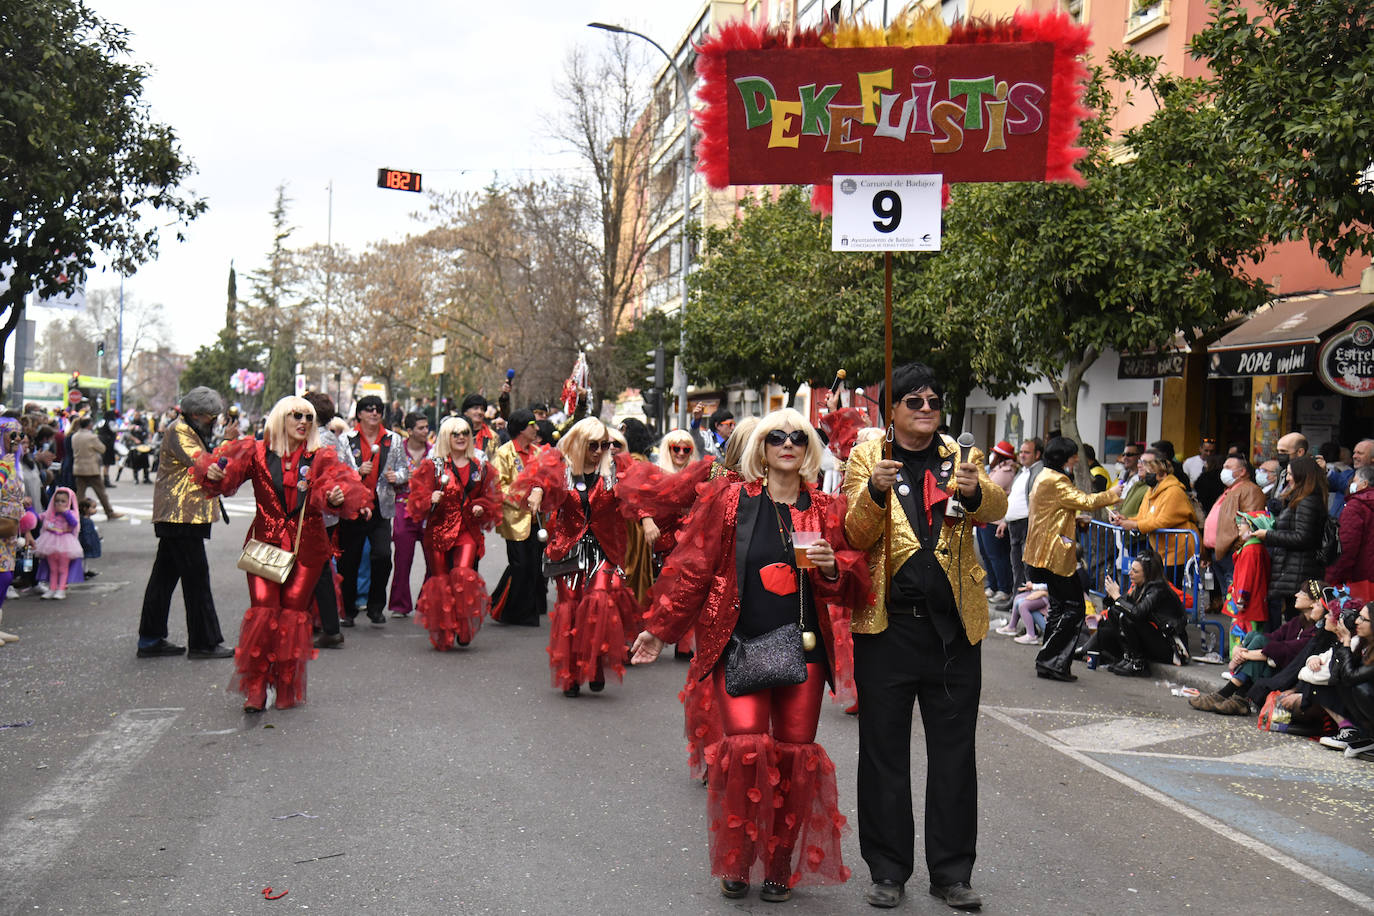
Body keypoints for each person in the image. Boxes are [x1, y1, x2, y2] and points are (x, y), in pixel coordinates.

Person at [631, 408, 868, 903]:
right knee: (743, 751)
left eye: (798, 437)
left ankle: (780, 865)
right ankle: (737, 862)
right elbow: (693, 567)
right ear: (760, 449)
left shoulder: (828, 508)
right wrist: (659, 630)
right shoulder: (729, 499)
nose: (787, 443)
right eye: (776, 437)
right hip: (738, 646)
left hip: (804, 652)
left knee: (795, 757)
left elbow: (854, 580)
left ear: (809, 450)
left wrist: (830, 568)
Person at [840, 362, 1006, 911]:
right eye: (914, 401)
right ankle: (887, 870)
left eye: (934, 400)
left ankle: (952, 873)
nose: (927, 408)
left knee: (955, 755)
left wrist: (977, 489)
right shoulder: (867, 457)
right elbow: (855, 534)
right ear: (892, 410)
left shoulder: (962, 456)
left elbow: (996, 511)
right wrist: (874, 493)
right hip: (888, 629)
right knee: (883, 753)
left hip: (955, 631)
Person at [203, 396, 370, 712]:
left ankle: (285, 684)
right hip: (265, 544)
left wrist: (335, 497)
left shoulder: (321, 456)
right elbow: (228, 477)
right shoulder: (256, 451)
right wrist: (216, 476)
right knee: (263, 614)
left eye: (308, 417)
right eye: (296, 415)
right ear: (281, 418)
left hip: (305, 548)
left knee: (292, 618)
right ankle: (255, 688)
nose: (303, 422)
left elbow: (331, 490)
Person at [516, 417, 642, 697]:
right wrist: (536, 492)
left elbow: (638, 493)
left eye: (604, 444)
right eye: (592, 445)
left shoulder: (615, 468)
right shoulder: (561, 468)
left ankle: (595, 667)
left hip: (604, 550)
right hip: (567, 550)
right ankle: (571, 675)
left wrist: (648, 520)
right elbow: (540, 479)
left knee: (598, 604)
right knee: (570, 610)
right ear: (580, 444)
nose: (599, 450)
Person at [136, 389, 236, 659]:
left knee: (164, 577)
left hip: (178, 516)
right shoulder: (180, 431)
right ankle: (204, 642)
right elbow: (205, 463)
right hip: (182, 516)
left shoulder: (187, 430)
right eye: (210, 416)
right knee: (196, 578)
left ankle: (150, 638)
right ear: (195, 414)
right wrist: (227, 445)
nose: (213, 421)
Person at [1023, 436, 1122, 681]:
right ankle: (1052, 661)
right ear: (1063, 457)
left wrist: (1074, 521)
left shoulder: (1046, 476)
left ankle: (1050, 661)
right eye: (1073, 455)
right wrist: (1113, 493)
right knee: (1073, 607)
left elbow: (1055, 512)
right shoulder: (1056, 480)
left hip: (1047, 550)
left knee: (1060, 607)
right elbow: (1086, 501)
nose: (1076, 459)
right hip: (1054, 554)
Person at [406, 417, 501, 650]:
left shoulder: (480, 466)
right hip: (438, 530)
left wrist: (481, 506)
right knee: (440, 582)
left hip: (467, 529)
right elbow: (415, 501)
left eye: (465, 433)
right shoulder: (433, 466)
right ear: (446, 437)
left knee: (463, 575)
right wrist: (431, 498)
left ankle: (464, 625)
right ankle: (444, 630)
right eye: (455, 433)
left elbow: (493, 496)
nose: (461, 437)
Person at [337, 394, 402, 626]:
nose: (374, 413)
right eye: (369, 409)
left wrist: (398, 476)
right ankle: (348, 609)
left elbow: (404, 469)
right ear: (360, 413)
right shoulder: (346, 439)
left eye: (378, 410)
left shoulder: (393, 440)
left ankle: (376, 606)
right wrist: (357, 472)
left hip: (380, 508)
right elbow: (338, 473)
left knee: (383, 556)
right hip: (353, 508)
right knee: (350, 561)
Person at [1251, 455, 1328, 628]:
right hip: (1292, 570)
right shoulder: (1301, 498)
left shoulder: (1307, 501)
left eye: (1291, 474)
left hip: (1299, 571)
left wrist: (1268, 535)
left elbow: (1303, 537)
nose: (1287, 478)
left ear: (1302, 475)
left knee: (1297, 622)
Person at [489, 409, 547, 627]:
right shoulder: (504, 453)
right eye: (533, 424)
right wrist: (522, 497)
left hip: (536, 518)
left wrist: (541, 493)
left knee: (531, 566)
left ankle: (520, 610)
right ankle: (507, 608)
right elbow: (497, 487)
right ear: (522, 427)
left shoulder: (539, 453)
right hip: (514, 519)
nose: (537, 429)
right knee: (520, 564)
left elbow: (546, 480)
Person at [1095, 552, 1190, 675]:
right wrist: (1112, 596)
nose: (1130, 573)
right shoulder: (1139, 587)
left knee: (1128, 618)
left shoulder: (1158, 589)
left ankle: (1138, 663)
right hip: (1157, 639)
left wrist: (1117, 597)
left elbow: (1137, 613)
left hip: (1172, 648)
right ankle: (1128, 657)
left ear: (1147, 574)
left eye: (1135, 571)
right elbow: (1121, 607)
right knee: (1116, 612)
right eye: (1131, 570)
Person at [1115, 447, 1198, 587]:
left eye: (1149, 468)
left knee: (1170, 590)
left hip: (1178, 550)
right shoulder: (1151, 489)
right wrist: (1125, 520)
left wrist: (1134, 525)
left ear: (1162, 472)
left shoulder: (1174, 491)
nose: (1143, 469)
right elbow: (1143, 516)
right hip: (1162, 550)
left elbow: (1162, 521)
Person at [385, 411, 432, 619]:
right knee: (403, 559)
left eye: (426, 427)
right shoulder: (397, 450)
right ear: (410, 430)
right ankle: (399, 604)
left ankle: (426, 602)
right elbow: (386, 474)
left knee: (434, 559)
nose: (425, 431)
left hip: (429, 511)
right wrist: (396, 477)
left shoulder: (434, 452)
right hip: (403, 507)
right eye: (421, 428)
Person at [1202, 454, 1266, 597]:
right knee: (1229, 597)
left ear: (1242, 471)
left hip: (1231, 553)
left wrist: (1236, 548)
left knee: (1235, 597)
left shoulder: (1249, 490)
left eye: (1228, 467)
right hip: (1221, 552)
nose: (1223, 471)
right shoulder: (1231, 490)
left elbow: (1250, 522)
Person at [978, 440, 1016, 610]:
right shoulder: (995, 469)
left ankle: (1003, 588)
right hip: (985, 518)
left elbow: (987, 489)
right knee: (986, 554)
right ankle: (992, 585)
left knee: (997, 556)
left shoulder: (1006, 471)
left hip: (995, 520)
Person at [1221, 511, 1272, 636]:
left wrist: (1241, 599)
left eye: (1243, 523)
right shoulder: (1258, 549)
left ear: (1253, 528)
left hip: (1247, 607)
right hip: (1255, 604)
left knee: (1241, 640)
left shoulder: (1250, 550)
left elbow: (1246, 578)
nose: (1239, 525)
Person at [0, 419, 28, 644]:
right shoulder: (4, 463)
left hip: (11, 531)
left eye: (20, 434)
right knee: (3, 576)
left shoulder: (14, 463)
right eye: (13, 435)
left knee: (6, 576)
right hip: (1, 527)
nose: (18, 439)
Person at [1002, 438, 1042, 594]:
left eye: (1027, 452)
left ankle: (1026, 598)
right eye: (1021, 452)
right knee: (1016, 565)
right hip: (1014, 523)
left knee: (1027, 565)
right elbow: (1015, 497)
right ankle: (1016, 598)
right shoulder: (1022, 471)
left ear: (1037, 454)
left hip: (1027, 523)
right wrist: (1005, 521)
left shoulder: (1039, 471)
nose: (1022, 455)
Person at [1326, 466, 1374, 593]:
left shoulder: (1356, 507)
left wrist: (1331, 579)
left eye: (1354, 481)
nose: (1351, 485)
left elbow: (1346, 547)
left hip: (1361, 582)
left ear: (1364, 484)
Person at [70, 416, 123, 520]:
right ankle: (109, 512)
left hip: (78, 467)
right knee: (101, 493)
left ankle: (76, 513)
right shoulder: (92, 437)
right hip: (91, 469)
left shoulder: (75, 436)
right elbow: (102, 449)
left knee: (80, 493)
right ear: (89, 425)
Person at [34, 487, 82, 600]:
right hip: (49, 542)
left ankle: (61, 590)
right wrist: (29, 509)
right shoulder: (50, 513)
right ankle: (52, 589)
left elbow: (74, 523)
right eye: (57, 500)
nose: (59, 503)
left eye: (63, 501)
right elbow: (38, 517)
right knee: (53, 568)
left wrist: (65, 512)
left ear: (69, 502)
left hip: (66, 543)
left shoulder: (71, 513)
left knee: (63, 568)